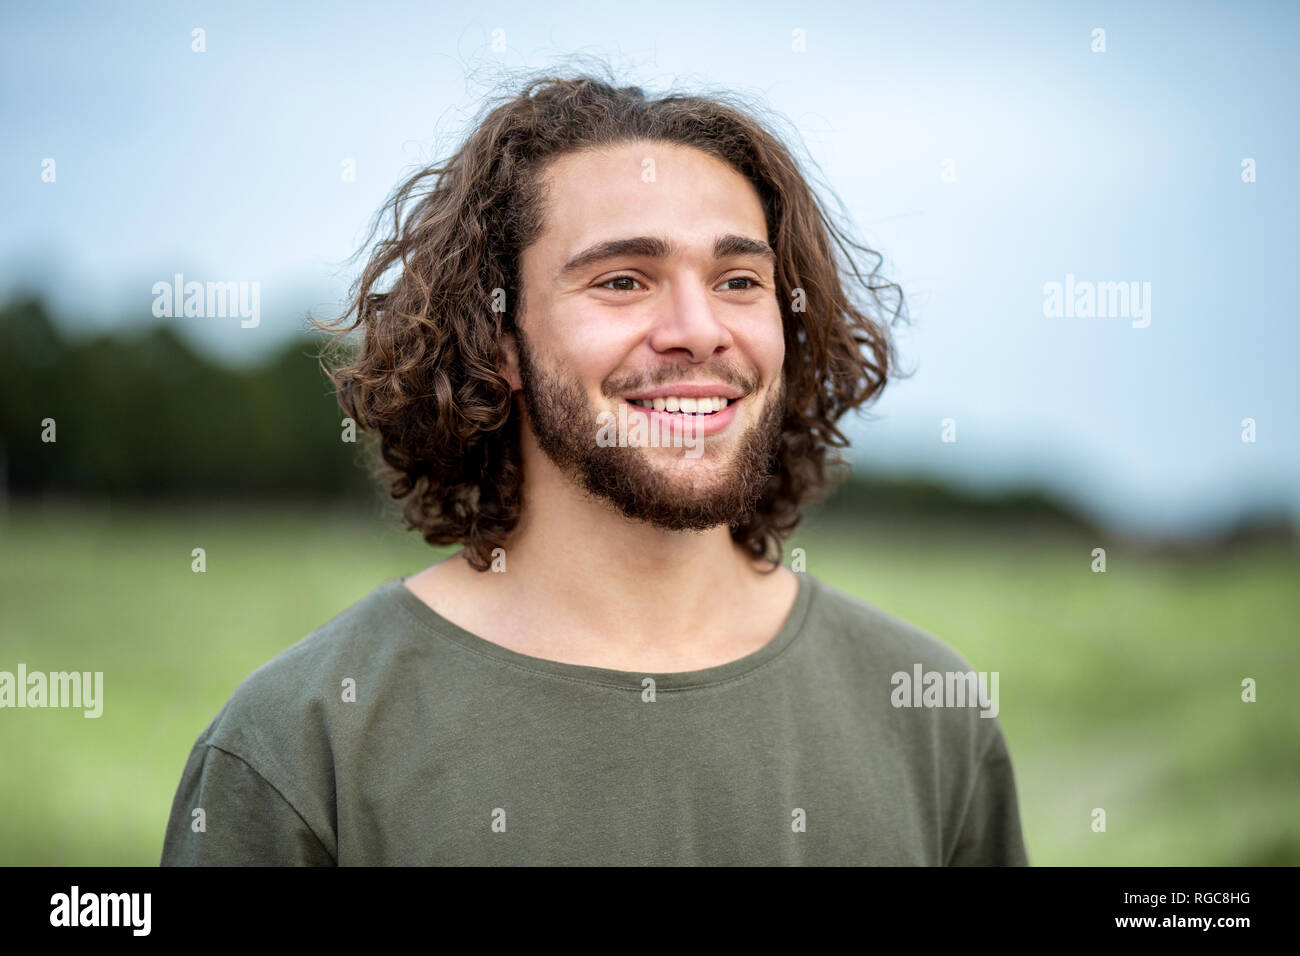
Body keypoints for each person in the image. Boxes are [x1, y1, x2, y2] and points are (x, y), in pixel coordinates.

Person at [161, 70, 1029, 866]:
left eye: (737, 280)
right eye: (622, 280)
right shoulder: (301, 744)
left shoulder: (930, 711)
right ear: (497, 340)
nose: (698, 327)